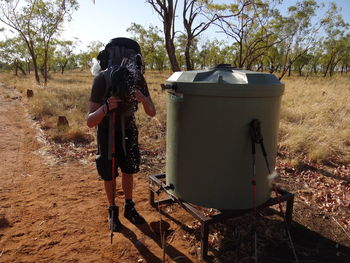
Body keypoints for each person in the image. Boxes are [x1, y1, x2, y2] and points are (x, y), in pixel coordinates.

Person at [86, 38, 156, 231]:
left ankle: (129, 206)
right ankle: (112, 210)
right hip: (107, 130)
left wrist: (142, 99)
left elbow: (152, 112)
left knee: (129, 169)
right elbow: (90, 121)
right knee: (108, 172)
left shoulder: (138, 79)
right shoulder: (102, 79)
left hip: (129, 128)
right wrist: (106, 108)